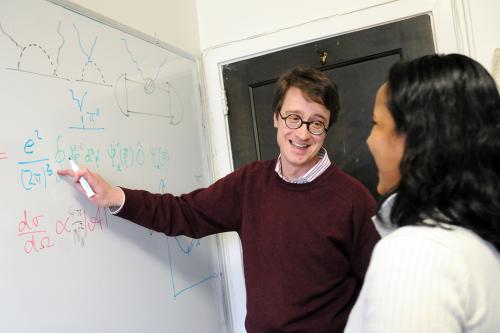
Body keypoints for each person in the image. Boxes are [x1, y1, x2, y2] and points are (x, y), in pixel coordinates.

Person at [59, 66, 380, 332]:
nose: (302, 133)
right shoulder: (250, 184)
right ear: (276, 118)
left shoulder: (353, 201)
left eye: (316, 123)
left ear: (326, 129)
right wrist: (114, 196)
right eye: (293, 117)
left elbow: (381, 293)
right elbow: (182, 213)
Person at [344, 53, 500, 332]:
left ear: (418, 137)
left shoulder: (415, 253)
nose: (369, 140)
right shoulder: (478, 241)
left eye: (376, 124)